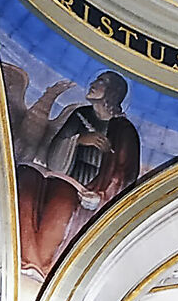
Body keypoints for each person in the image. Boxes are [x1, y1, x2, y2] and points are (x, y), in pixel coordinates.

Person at [18, 70, 142, 273]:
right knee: (25, 179)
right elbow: (54, 155)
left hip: (88, 192)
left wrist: (101, 197)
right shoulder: (80, 115)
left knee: (61, 200)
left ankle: (41, 264)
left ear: (113, 92)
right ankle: (24, 256)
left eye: (101, 82)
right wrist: (79, 140)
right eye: (95, 79)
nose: (93, 83)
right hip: (60, 175)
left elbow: (123, 174)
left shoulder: (124, 130)